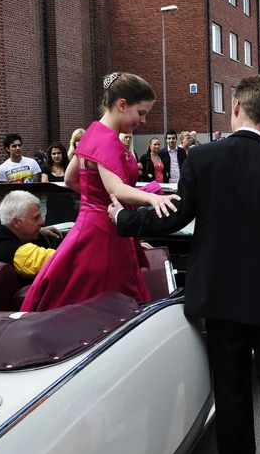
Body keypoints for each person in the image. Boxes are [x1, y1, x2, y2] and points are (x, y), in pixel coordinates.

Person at [109, 75, 260, 454]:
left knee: (232, 395)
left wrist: (123, 220)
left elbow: (172, 218)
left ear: (235, 107)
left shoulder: (202, 158)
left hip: (221, 302)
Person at [20, 72, 179, 312]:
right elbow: (116, 188)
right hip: (105, 233)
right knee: (109, 305)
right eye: (142, 113)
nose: (143, 121)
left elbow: (72, 178)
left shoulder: (93, 132)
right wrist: (152, 198)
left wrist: (96, 199)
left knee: (77, 295)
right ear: (122, 105)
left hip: (90, 225)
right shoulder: (108, 140)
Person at [0, 191, 62, 283]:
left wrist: (38, 231)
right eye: (36, 218)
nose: (42, 222)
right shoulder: (21, 254)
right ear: (16, 222)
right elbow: (66, 259)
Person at [41, 142, 78, 226]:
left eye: (59, 153)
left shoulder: (69, 167)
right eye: (54, 153)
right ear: (50, 155)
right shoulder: (46, 168)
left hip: (68, 203)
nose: (56, 156)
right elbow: (44, 182)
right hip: (52, 204)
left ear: (63, 154)